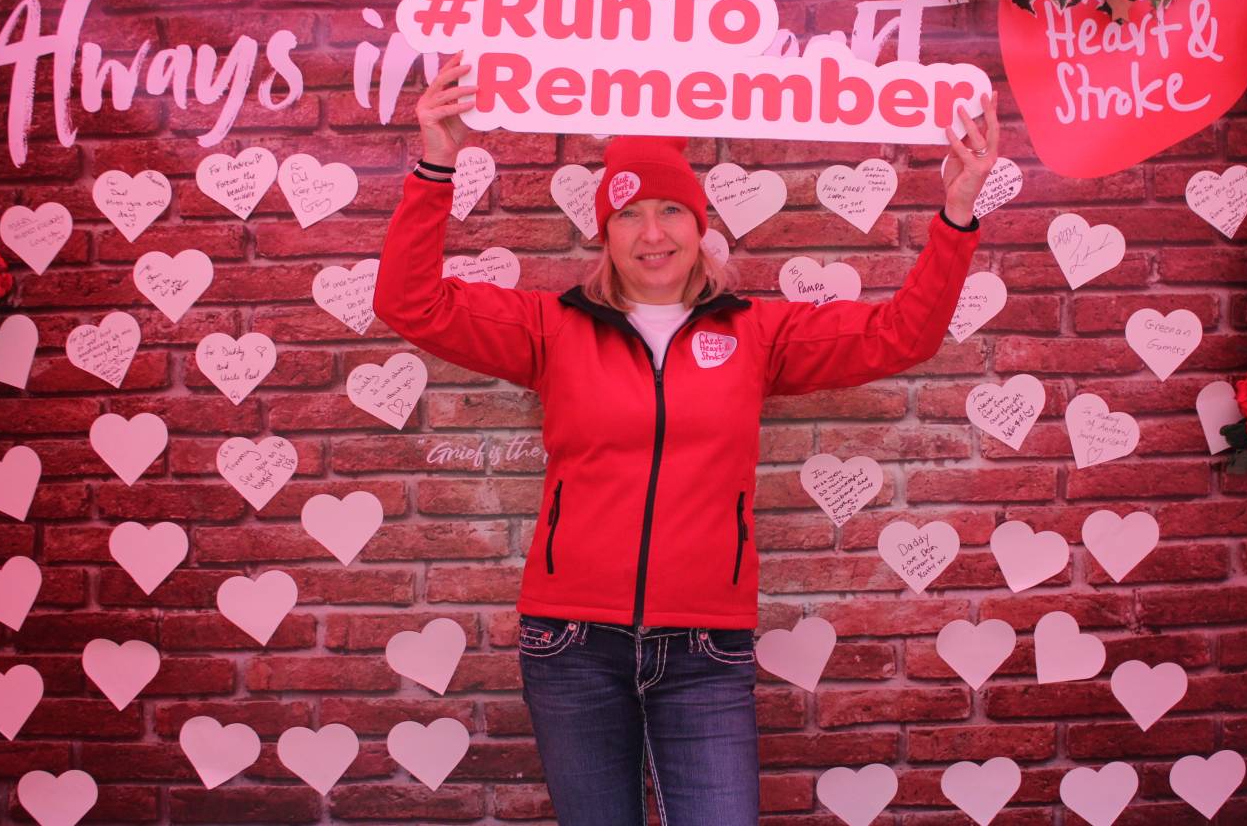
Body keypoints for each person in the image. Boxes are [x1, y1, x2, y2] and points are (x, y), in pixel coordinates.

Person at [372, 50, 998, 826]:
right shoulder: (552, 328)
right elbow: (410, 302)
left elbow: (901, 335)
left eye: (670, 210)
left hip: (706, 650)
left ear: (700, 225)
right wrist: (437, 163)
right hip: (572, 646)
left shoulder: (756, 332)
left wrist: (957, 214)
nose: (651, 232)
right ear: (604, 234)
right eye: (627, 214)